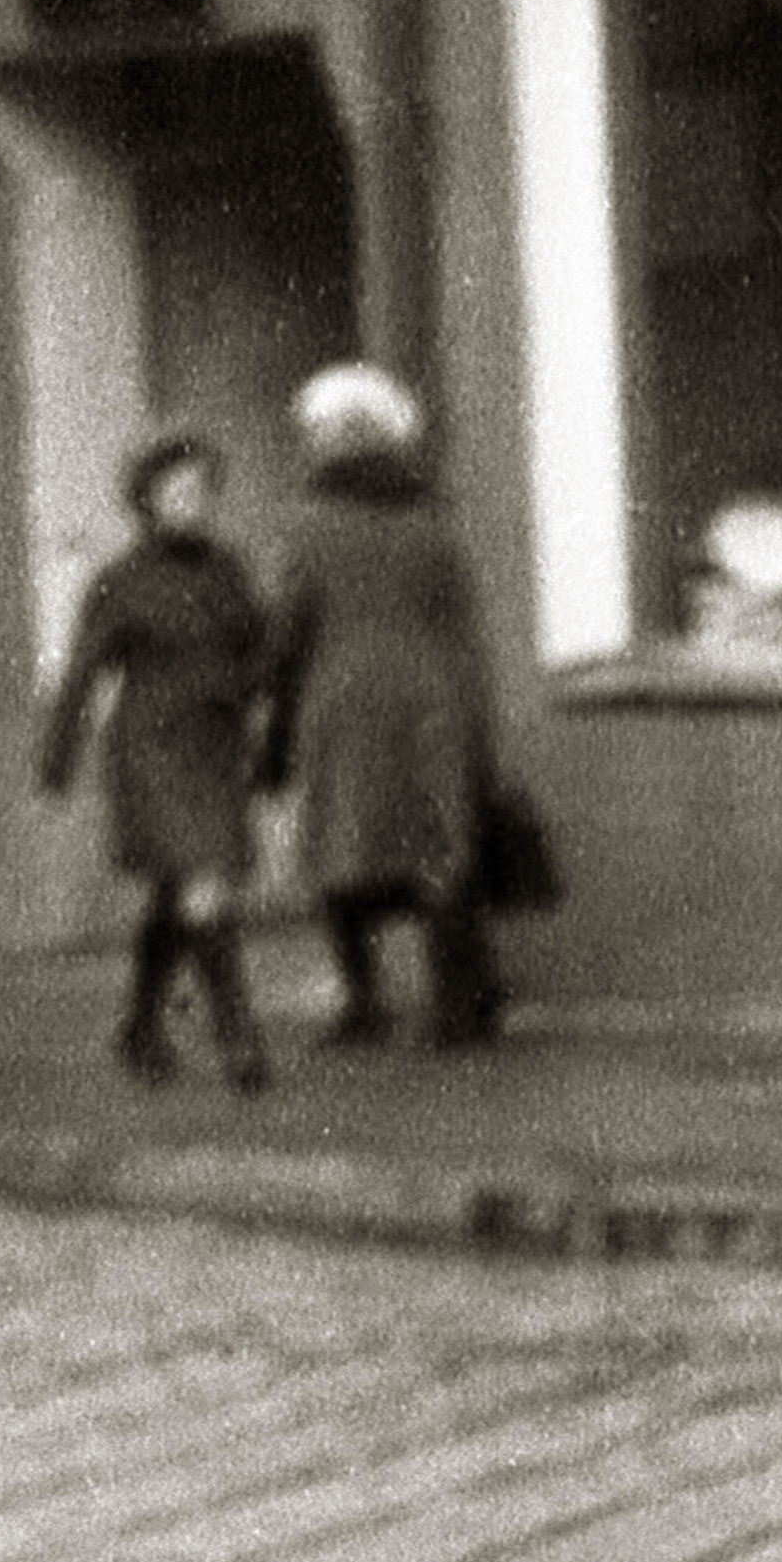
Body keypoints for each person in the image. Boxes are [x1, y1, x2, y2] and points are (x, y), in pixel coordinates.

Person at [267, 364, 502, 1053]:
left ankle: (364, 1002)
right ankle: (462, 1007)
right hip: (436, 707)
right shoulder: (434, 523)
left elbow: (286, 632)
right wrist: (477, 723)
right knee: (438, 850)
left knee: (339, 853)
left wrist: (272, 729)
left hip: (340, 709)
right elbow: (465, 631)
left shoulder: (307, 527)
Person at [36, 429, 276, 1093]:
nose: (192, 503)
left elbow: (258, 647)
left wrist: (256, 697)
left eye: (201, 491)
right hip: (152, 753)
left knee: (177, 895)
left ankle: (141, 1024)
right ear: (147, 500)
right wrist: (57, 754)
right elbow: (84, 670)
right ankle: (238, 1037)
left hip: (216, 748)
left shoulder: (230, 569)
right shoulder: (120, 582)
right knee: (202, 884)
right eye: (177, 492)